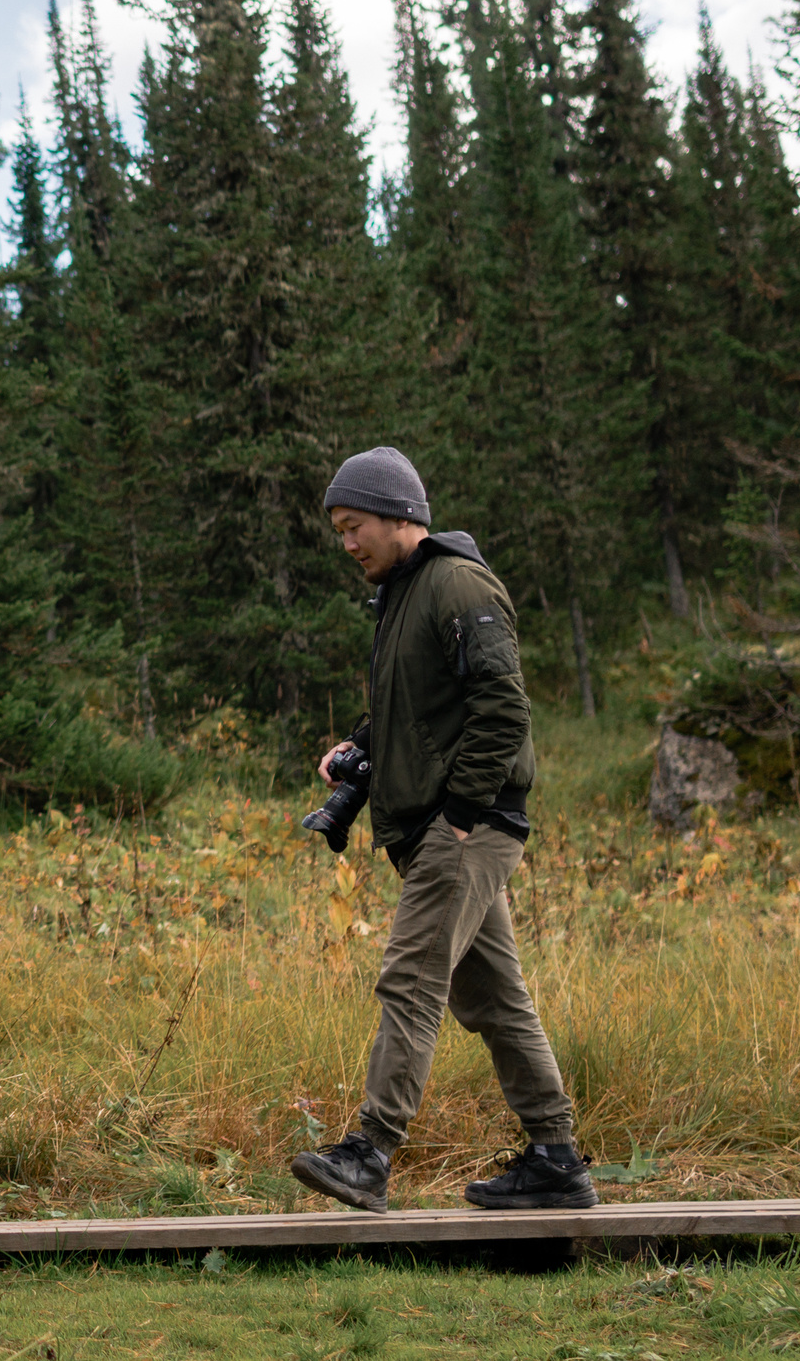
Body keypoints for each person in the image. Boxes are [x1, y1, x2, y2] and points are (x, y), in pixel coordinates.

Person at [289, 446, 598, 1214]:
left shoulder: (455, 583)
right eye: (338, 530)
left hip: (464, 827)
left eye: (354, 525)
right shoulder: (405, 593)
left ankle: (369, 1153)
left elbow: (505, 710)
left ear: (401, 516)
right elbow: (425, 711)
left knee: (410, 979)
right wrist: (359, 744)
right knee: (495, 999)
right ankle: (556, 1158)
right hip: (450, 826)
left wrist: (460, 814)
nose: (347, 543)